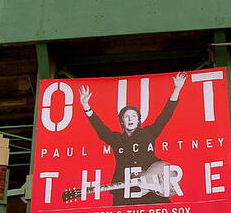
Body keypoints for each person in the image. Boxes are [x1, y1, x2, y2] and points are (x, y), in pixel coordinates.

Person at [80, 72, 187, 205]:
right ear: (121, 122)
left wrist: (177, 89)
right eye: (126, 116)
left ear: (139, 120)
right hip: (125, 189)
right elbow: (101, 129)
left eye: (134, 116)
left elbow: (165, 116)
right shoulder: (116, 139)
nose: (130, 119)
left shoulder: (149, 133)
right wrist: (86, 105)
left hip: (152, 186)